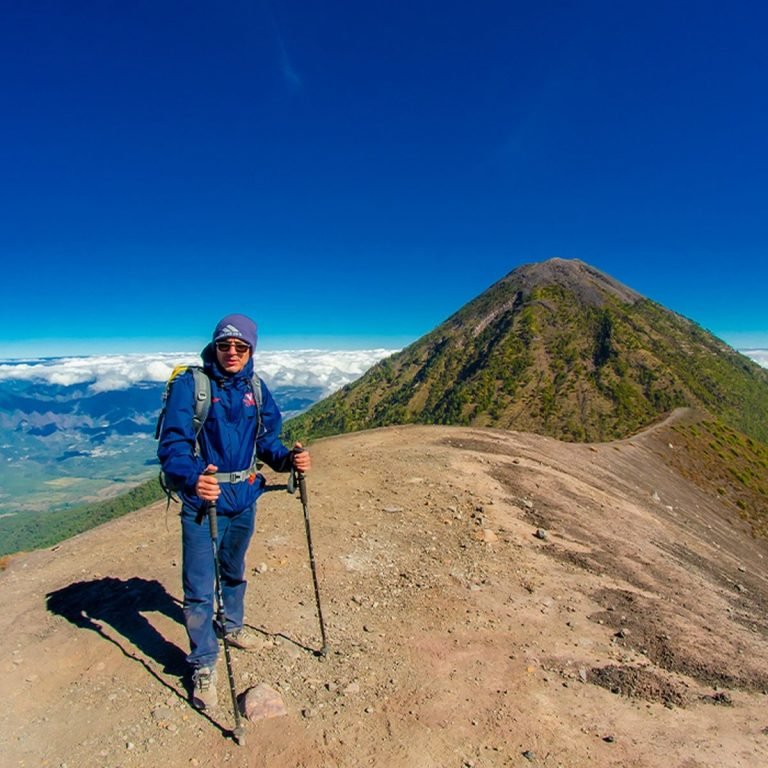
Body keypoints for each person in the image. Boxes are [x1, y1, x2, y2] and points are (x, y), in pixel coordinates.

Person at [157, 313, 311, 710]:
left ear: (251, 350)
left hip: (243, 499)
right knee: (198, 588)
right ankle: (203, 662)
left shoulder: (256, 389)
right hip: (202, 503)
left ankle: (232, 626)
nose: (232, 352)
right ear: (215, 346)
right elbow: (172, 446)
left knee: (233, 570)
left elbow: (267, 442)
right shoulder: (192, 385)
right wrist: (193, 478)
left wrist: (289, 461)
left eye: (241, 347)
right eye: (225, 345)